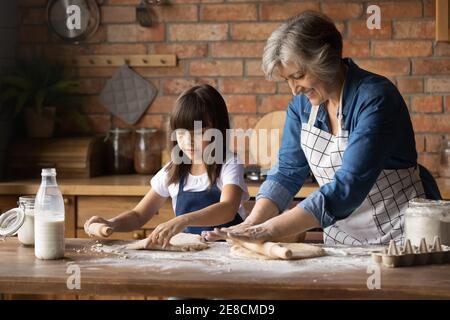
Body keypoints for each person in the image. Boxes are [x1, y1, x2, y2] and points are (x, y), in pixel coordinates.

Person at [205, 11, 441, 246]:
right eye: (287, 79)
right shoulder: (301, 107)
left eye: (298, 76)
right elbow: (287, 172)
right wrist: (251, 225)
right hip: (341, 241)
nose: (294, 89)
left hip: (400, 239)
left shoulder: (375, 98)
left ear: (325, 59)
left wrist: (268, 230)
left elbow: (349, 185)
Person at [84, 84, 249, 248]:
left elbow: (227, 208)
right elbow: (138, 215)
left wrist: (183, 220)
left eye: (199, 133)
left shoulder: (229, 163)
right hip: (192, 256)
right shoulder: (173, 171)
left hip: (229, 254)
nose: (188, 141)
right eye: (181, 133)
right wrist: (112, 223)